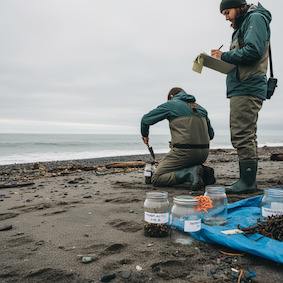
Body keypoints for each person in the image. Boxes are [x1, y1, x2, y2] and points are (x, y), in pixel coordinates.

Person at [211, 0, 271, 194]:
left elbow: (254, 51)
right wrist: (222, 59)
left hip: (248, 86)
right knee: (245, 133)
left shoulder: (255, 18)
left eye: (227, 12)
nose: (226, 17)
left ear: (238, 6)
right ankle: (247, 180)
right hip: (242, 85)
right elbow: (244, 56)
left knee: (242, 133)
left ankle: (247, 182)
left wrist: (224, 56)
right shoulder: (245, 23)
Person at [141, 87, 214, 190]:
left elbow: (145, 120)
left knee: (157, 178)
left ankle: (189, 173)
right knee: (180, 166)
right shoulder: (201, 109)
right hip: (203, 154)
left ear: (171, 97)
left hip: (184, 153)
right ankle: (203, 172)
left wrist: (145, 135)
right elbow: (211, 135)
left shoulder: (171, 105)